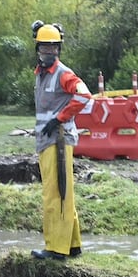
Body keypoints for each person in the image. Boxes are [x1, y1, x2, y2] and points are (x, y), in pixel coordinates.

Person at [30, 20, 92, 260]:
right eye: (44, 47)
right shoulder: (42, 74)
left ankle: (56, 249)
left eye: (53, 47)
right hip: (48, 141)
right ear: (37, 49)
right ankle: (73, 245)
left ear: (59, 49)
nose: (49, 52)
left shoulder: (63, 73)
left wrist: (60, 118)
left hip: (58, 140)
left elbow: (85, 95)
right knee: (63, 192)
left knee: (55, 194)